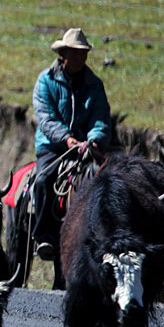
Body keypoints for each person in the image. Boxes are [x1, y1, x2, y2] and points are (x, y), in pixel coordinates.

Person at [31, 28, 112, 260]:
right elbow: (46, 118)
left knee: (104, 179)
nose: (80, 58)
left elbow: (100, 116)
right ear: (64, 54)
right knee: (44, 179)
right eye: (75, 53)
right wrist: (66, 138)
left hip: (85, 148)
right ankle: (44, 235)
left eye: (83, 53)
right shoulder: (45, 80)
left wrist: (95, 138)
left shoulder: (94, 85)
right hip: (53, 147)